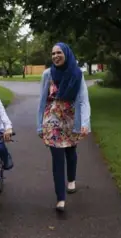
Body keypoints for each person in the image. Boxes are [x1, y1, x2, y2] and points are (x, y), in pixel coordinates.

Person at [37, 42, 91, 212]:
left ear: (66, 53)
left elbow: (83, 100)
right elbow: (42, 100)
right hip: (52, 121)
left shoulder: (77, 74)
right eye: (53, 54)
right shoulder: (47, 74)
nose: (55, 56)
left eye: (59, 52)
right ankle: (60, 198)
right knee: (57, 159)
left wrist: (84, 123)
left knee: (71, 152)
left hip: (70, 120)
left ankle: (72, 180)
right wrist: (39, 125)